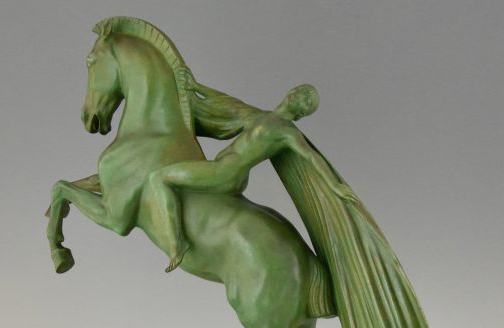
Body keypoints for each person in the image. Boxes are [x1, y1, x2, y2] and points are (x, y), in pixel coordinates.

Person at [148, 76, 360, 272]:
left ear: (301, 113)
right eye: (301, 91)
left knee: (159, 178)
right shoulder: (263, 116)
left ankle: (177, 243)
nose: (299, 95)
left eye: (306, 100)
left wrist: (334, 185)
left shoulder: (287, 132)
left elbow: (311, 156)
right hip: (229, 172)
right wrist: (197, 87)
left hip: (223, 173)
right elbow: (229, 103)